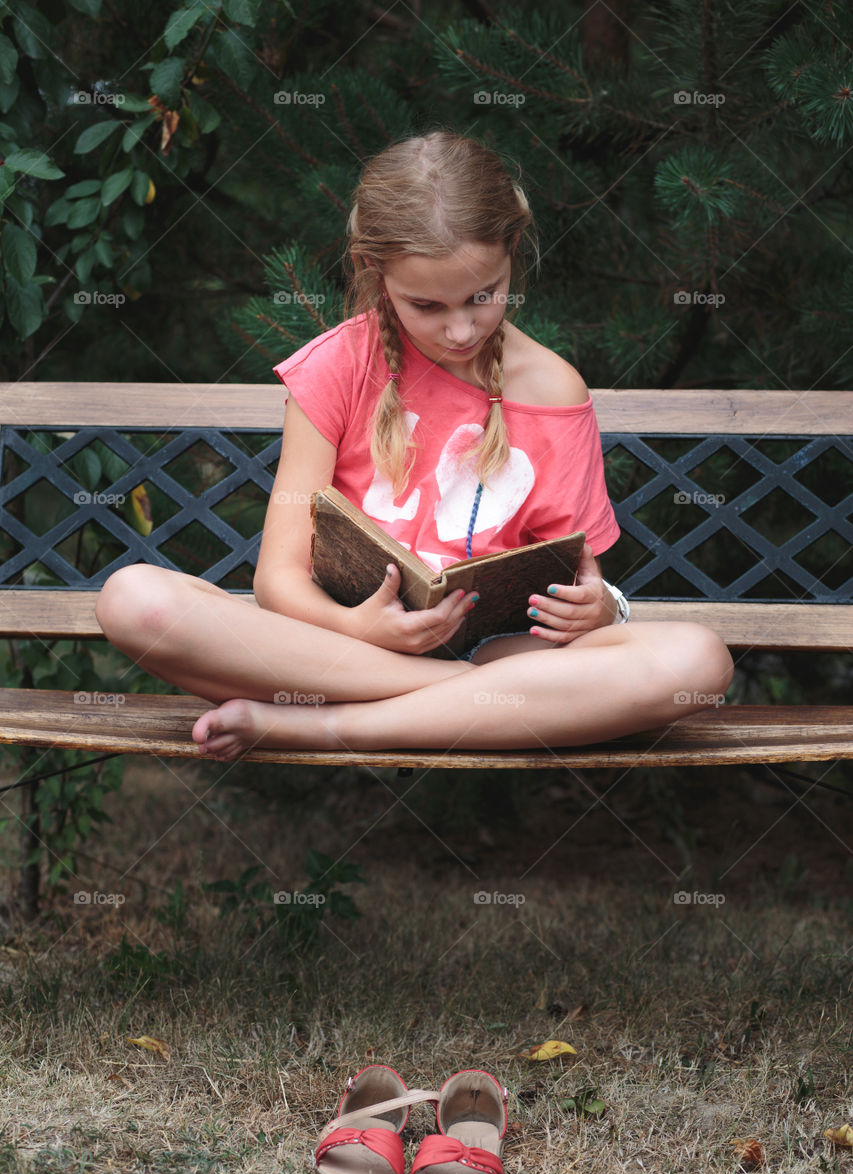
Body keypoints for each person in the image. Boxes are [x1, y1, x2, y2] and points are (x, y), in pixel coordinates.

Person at [95, 131, 732, 761]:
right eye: (426, 305)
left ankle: (322, 727)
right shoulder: (337, 367)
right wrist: (356, 627)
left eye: (484, 296)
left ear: (512, 250)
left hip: (499, 652)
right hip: (345, 650)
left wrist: (598, 611)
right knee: (135, 601)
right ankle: (485, 706)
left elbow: (574, 578)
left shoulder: (554, 389)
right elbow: (278, 581)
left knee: (697, 661)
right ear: (376, 272)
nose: (461, 329)